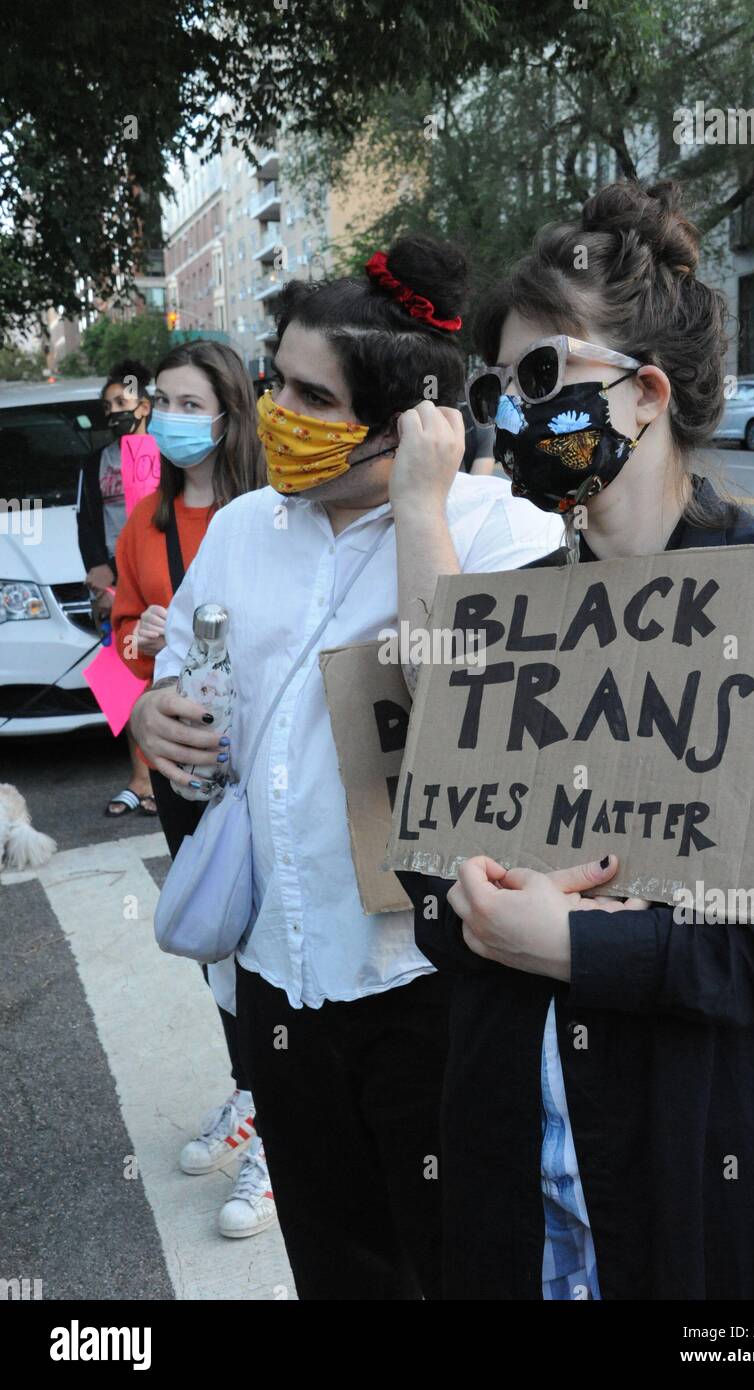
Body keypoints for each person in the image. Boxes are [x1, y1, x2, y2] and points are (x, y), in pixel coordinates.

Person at [397, 180, 754, 1300]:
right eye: (499, 387)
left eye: (542, 378)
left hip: (712, 1170)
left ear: (646, 394)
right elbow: (421, 869)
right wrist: (469, 907)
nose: (512, 415)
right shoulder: (502, 612)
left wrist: (584, 947)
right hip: (520, 1165)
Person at [130, 233, 564, 1299]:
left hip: (432, 987)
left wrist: (420, 507)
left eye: (314, 399)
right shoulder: (241, 528)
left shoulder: (501, 532)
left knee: (456, 1262)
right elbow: (183, 667)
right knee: (338, 1264)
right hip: (280, 975)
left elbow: (470, 709)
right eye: (275, 380)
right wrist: (153, 713)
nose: (278, 412)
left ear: (412, 420)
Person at [113, 339, 274, 1240]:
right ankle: (250, 1093)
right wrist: (142, 658)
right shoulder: (144, 520)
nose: (168, 416)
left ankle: (280, 1131)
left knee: (269, 949)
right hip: (182, 771)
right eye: (159, 401)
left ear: (227, 413)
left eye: (187, 400)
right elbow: (119, 647)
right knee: (216, 950)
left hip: (261, 770)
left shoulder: (264, 516)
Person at [76, 358, 157, 816]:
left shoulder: (163, 456)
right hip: (113, 586)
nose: (112, 412)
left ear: (143, 407)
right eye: (107, 405)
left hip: (155, 582)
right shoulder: (96, 462)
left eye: (120, 402)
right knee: (123, 680)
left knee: (165, 675)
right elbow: (87, 522)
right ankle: (140, 779)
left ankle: (169, 777)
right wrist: (98, 570)